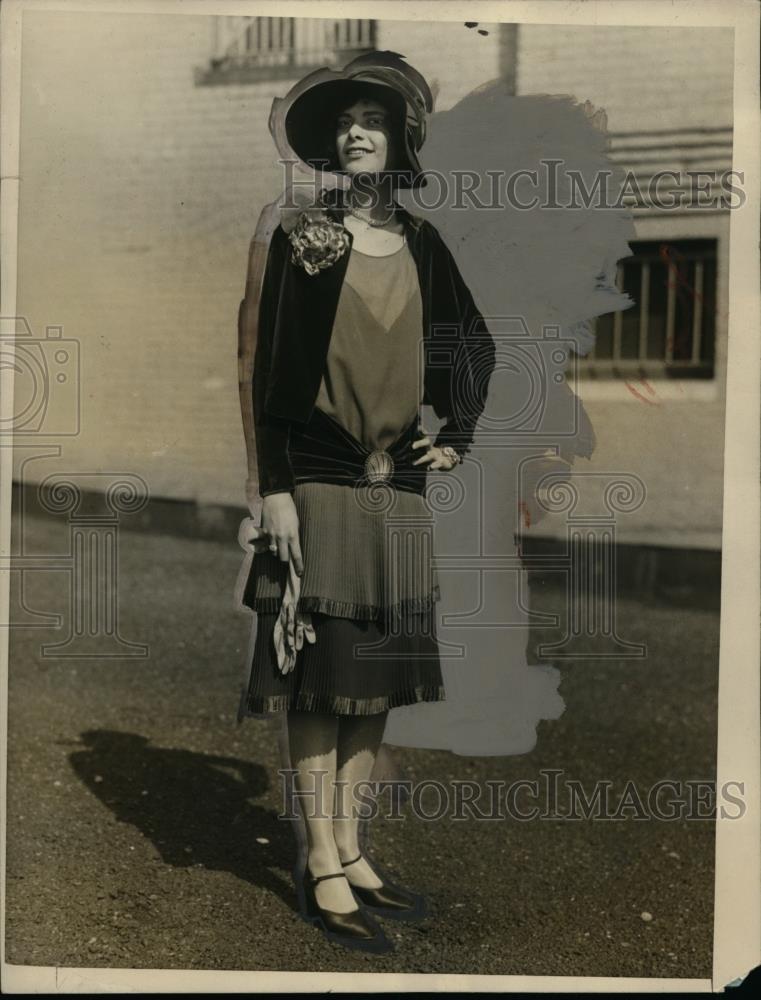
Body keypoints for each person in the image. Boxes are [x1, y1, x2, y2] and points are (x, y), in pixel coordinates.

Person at [236, 51, 496, 953]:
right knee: (319, 678)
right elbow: (272, 379)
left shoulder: (423, 243)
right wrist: (273, 489)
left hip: (400, 491)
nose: (355, 131)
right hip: (318, 482)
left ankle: (352, 847)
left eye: (373, 121)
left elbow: (475, 346)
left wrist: (455, 433)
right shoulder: (303, 239)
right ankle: (315, 858)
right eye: (345, 120)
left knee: (374, 680)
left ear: (398, 142)